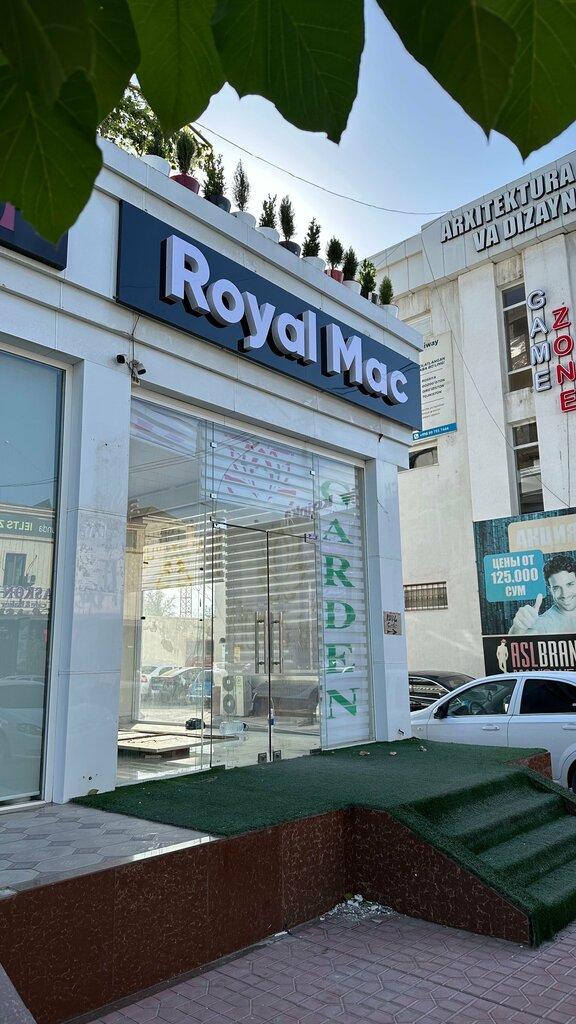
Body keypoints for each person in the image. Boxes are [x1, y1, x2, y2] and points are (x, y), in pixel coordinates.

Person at [508, 554, 576, 635]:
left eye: (570, 584)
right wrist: (517, 628)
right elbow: (525, 635)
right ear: (550, 590)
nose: (565, 594)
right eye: (556, 588)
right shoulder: (545, 622)